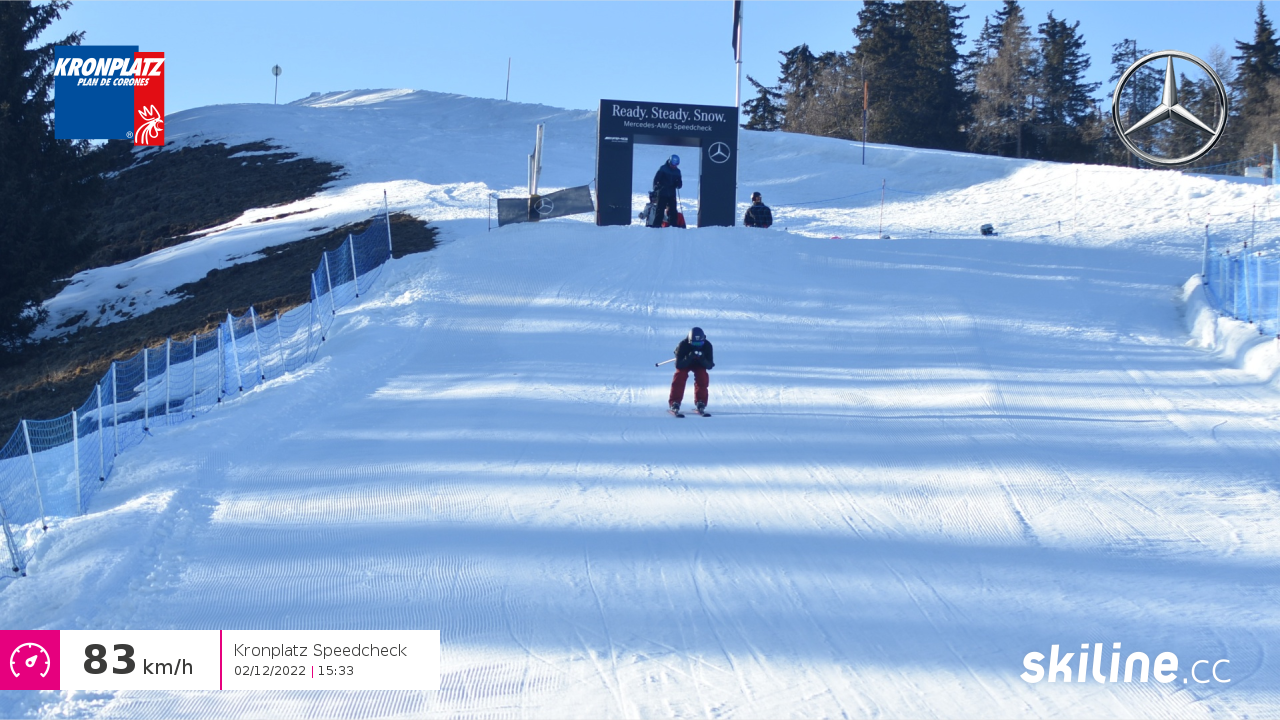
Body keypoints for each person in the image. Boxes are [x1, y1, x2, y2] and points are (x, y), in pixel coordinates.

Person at [669, 326, 714, 415]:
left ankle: (701, 401)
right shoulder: (683, 345)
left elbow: (709, 365)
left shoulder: (707, 346)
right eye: (694, 343)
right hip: (685, 363)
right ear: (689, 341)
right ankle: (675, 402)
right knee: (680, 376)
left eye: (700, 343)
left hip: (699, 364)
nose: (697, 346)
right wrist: (689, 356)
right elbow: (678, 365)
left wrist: (702, 358)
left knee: (702, 376)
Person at [650, 155, 683, 228]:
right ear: (670, 162)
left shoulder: (677, 171)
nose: (674, 166)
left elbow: (680, 183)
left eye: (676, 165)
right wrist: (656, 186)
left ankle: (673, 226)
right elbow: (656, 179)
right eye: (673, 164)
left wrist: (678, 184)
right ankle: (657, 226)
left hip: (672, 193)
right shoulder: (663, 168)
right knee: (660, 209)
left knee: (673, 210)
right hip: (662, 192)